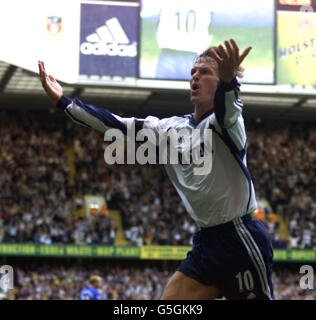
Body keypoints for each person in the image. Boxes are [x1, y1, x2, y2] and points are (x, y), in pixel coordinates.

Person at [38, 38, 274, 300]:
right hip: (207, 242)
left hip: (240, 238)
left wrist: (230, 83)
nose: (195, 76)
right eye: (193, 72)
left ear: (220, 82)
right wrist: (63, 101)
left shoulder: (227, 125)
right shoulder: (168, 130)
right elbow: (115, 124)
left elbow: (228, 108)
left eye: (205, 72)